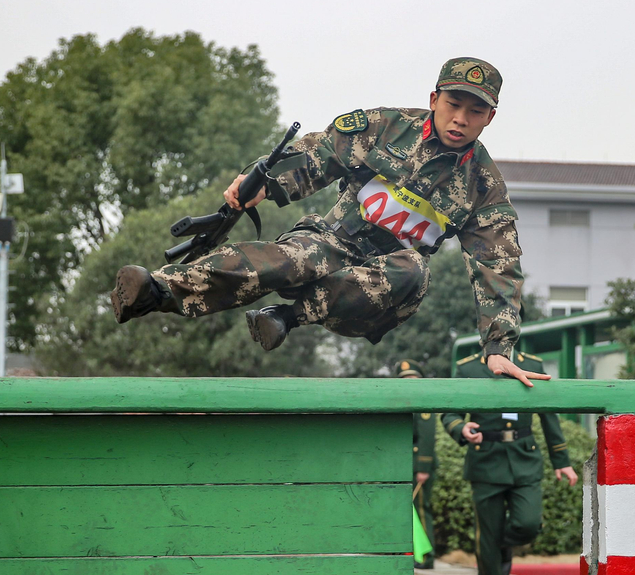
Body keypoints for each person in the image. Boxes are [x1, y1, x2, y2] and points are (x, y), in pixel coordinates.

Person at [109, 57, 549, 389]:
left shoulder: (483, 186)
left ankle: (287, 317)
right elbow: (319, 153)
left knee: (414, 268)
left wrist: (498, 349)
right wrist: (265, 182)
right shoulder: (385, 128)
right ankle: (158, 291)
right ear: (434, 100)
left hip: (382, 289)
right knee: (286, 259)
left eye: (475, 112)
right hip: (331, 242)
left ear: (489, 117)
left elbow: (499, 265)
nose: (460, 120)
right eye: (453, 105)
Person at [441, 351, 578, 575]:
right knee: (487, 536)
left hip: (524, 457)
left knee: (528, 524)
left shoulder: (532, 363)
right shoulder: (469, 368)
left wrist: (561, 460)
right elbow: (450, 411)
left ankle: (503, 545)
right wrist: (461, 428)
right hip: (485, 459)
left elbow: (548, 413)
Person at [396, 359, 439, 569]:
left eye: (412, 378)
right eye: (405, 379)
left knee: (421, 510)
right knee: (408, 511)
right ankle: (415, 553)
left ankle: (426, 556)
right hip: (406, 464)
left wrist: (423, 468)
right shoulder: (403, 401)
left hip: (418, 466)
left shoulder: (423, 400)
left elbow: (427, 436)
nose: (409, 382)